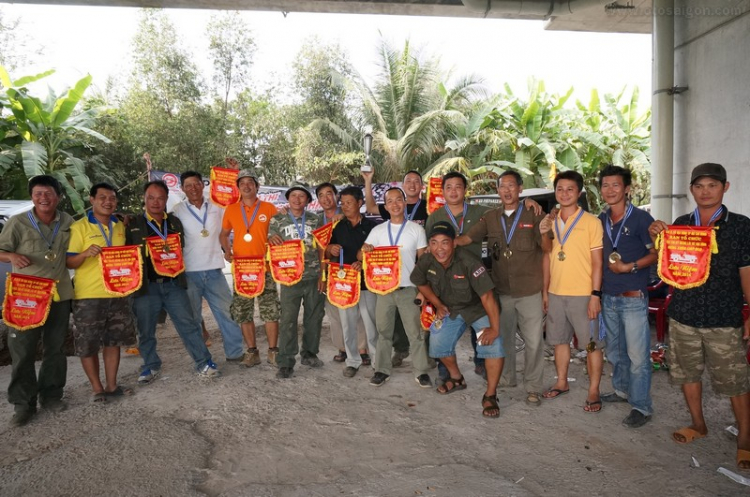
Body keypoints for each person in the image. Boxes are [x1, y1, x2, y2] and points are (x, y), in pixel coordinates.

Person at [649, 163, 750, 469]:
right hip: (683, 315)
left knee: (735, 381)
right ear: (692, 189)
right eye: (699, 186)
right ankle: (698, 424)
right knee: (687, 375)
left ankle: (745, 437)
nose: (705, 192)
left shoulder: (741, 226)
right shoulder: (681, 223)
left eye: (712, 185)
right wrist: (657, 235)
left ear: (725, 187)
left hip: (724, 317)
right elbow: (666, 264)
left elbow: (747, 273)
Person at [457, 170, 547, 406]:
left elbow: (546, 246)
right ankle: (507, 379)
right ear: (498, 191)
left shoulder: (534, 213)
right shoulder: (490, 217)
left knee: (534, 341)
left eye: (511, 186)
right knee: (504, 337)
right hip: (502, 291)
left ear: (520, 189)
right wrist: (444, 244)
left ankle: (534, 387)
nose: (506, 190)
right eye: (502, 186)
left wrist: (549, 222)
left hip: (529, 290)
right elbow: (468, 239)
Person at [127, 180, 220, 384]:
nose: (155, 202)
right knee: (146, 329)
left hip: (174, 284)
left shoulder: (175, 222)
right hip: (146, 287)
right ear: (144, 199)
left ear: (166, 200)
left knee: (188, 324)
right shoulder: (132, 224)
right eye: (151, 197)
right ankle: (151, 365)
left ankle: (204, 362)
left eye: (160, 198)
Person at [0, 175, 73, 426]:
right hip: (26, 297)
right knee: (22, 350)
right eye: (38, 193)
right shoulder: (18, 222)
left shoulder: (67, 221)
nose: (44, 198)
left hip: (59, 294)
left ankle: (51, 395)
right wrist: (10, 256)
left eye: (49, 193)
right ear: (32, 196)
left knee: (55, 349)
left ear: (58, 197)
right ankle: (23, 405)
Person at [412, 221, 504, 417]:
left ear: (454, 243)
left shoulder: (469, 262)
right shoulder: (427, 260)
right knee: (437, 344)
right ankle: (456, 378)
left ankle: (490, 395)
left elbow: (487, 297)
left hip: (478, 308)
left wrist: (494, 329)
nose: (440, 248)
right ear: (429, 244)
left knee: (493, 345)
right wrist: (437, 304)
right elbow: (420, 281)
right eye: (434, 243)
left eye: (445, 242)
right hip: (451, 308)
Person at [540, 170, 605, 413]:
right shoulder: (550, 222)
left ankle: (593, 389)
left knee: (590, 345)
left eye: (570, 189)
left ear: (579, 193)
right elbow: (547, 256)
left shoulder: (591, 222)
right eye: (560, 189)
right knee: (559, 341)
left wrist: (595, 294)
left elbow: (598, 262)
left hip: (583, 296)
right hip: (556, 294)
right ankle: (561, 381)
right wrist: (545, 292)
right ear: (555, 192)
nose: (564, 194)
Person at [597, 165, 657, 428]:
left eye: (616, 185)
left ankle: (641, 406)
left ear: (627, 189)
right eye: (605, 185)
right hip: (608, 297)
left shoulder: (642, 219)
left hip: (633, 297)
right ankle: (621, 391)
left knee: (637, 356)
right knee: (615, 351)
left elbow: (655, 253)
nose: (610, 190)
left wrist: (629, 266)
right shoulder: (600, 220)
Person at [66, 183, 137, 403]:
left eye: (112, 198)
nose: (108, 201)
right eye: (102, 197)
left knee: (112, 341)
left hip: (117, 294)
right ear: (92, 200)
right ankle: (97, 389)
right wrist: (86, 253)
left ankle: (112, 385)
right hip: (88, 296)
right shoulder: (79, 227)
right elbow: (69, 261)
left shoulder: (118, 225)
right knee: (87, 344)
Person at [359, 187, 431, 387]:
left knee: (414, 333)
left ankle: (421, 371)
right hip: (384, 291)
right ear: (386, 206)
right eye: (390, 201)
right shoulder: (378, 230)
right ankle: (381, 370)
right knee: (384, 332)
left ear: (404, 201)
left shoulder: (416, 230)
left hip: (408, 289)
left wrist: (423, 290)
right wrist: (365, 249)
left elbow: (423, 261)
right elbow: (360, 255)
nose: (395, 204)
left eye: (398, 199)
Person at [172, 171, 245, 363]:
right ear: (182, 189)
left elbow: (235, 211)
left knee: (228, 313)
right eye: (188, 185)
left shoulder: (217, 207)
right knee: (193, 319)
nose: (193, 188)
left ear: (202, 185)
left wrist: (233, 174)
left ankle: (235, 352)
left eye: (196, 184)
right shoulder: (176, 210)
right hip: (188, 273)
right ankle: (202, 358)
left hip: (214, 270)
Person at [426, 171, 490, 382]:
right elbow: (430, 248)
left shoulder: (480, 211)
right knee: (444, 323)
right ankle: (444, 370)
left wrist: (529, 205)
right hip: (446, 282)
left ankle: (481, 361)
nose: (453, 191)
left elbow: (503, 214)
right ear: (443, 191)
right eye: (449, 187)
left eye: (458, 187)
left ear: (465, 190)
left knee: (478, 323)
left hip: (476, 279)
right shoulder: (435, 216)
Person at [220, 170, 280, 367]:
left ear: (256, 186)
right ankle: (252, 352)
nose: (246, 186)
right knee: (243, 311)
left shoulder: (270, 208)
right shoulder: (231, 209)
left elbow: (280, 231)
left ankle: (273, 351)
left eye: (250, 183)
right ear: (238, 188)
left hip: (266, 267)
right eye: (242, 183)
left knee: (270, 310)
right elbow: (223, 234)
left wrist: (274, 236)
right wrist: (226, 250)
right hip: (242, 269)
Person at [268, 183, 325, 379]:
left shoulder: (315, 219)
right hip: (289, 277)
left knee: (314, 318)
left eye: (302, 196)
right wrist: (272, 238)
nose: (297, 199)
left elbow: (322, 248)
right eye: (294, 195)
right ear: (288, 198)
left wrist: (322, 275)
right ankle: (285, 362)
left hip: (313, 275)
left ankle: (309, 354)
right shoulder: (277, 219)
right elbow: (270, 240)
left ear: (308, 200)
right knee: (288, 321)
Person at [325, 186, 378, 377]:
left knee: (370, 322)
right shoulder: (338, 226)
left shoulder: (373, 227)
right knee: (347, 324)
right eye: (343, 203)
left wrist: (363, 262)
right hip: (344, 284)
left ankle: (376, 361)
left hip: (366, 284)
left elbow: (379, 255)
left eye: (349, 202)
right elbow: (326, 249)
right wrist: (331, 248)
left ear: (360, 203)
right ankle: (352, 360)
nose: (345, 207)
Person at [316, 182, 369, 365]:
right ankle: (343, 349)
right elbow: (324, 250)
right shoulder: (318, 220)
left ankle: (362, 350)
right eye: (321, 195)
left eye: (329, 194)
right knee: (337, 315)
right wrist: (330, 249)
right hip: (335, 277)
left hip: (359, 277)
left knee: (361, 315)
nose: (325, 198)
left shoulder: (353, 220)